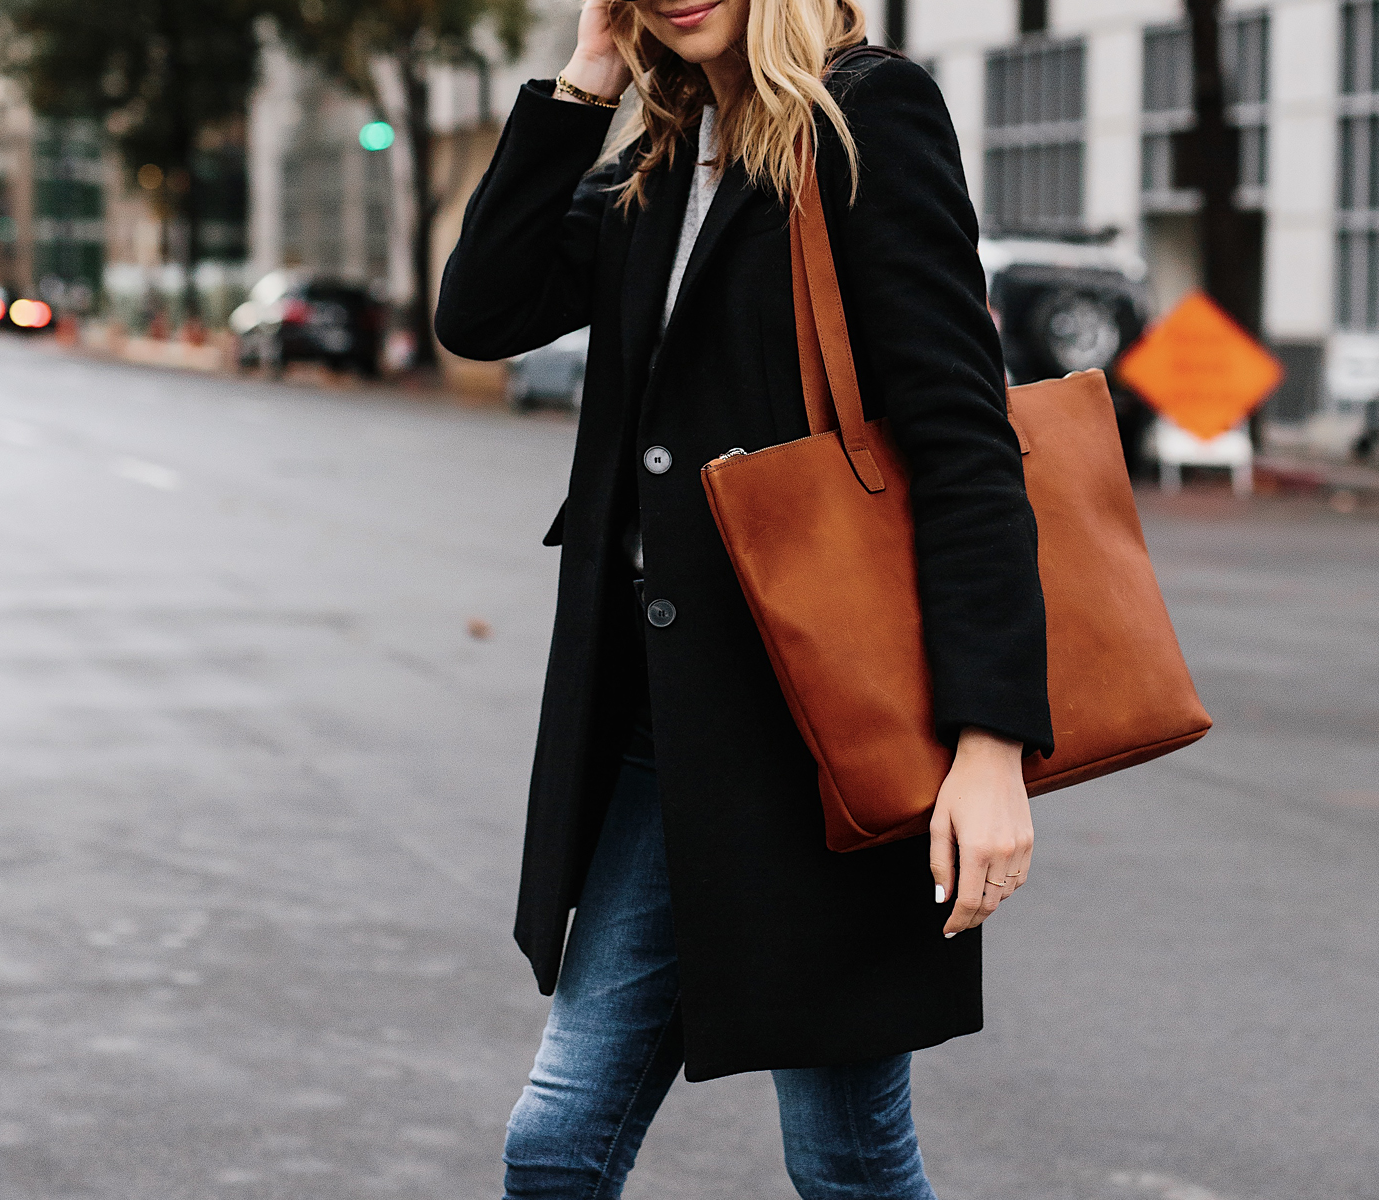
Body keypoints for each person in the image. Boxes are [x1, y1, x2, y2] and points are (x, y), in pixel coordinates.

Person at [435, 1, 1052, 1195]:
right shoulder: (660, 156)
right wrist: (586, 80)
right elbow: (482, 310)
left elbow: (965, 444)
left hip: (826, 736)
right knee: (558, 1148)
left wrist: (991, 745)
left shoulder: (865, 116)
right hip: (661, 732)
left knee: (848, 1164)